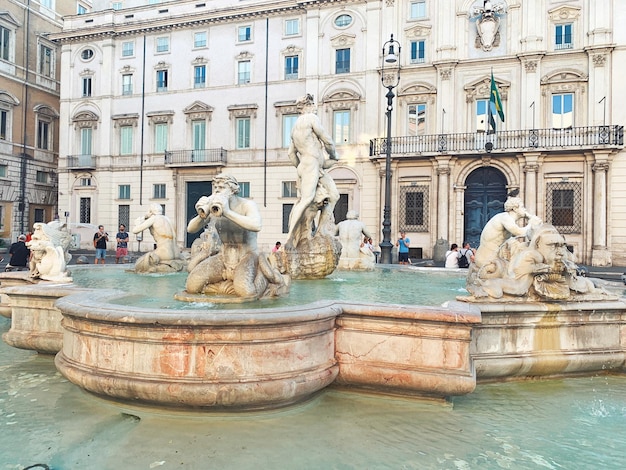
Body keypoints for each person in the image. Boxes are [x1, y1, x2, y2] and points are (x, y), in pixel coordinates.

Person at [186, 173, 288, 298]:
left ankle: (263, 275)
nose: (217, 191)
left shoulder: (246, 205)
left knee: (247, 292)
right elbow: (190, 229)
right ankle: (226, 285)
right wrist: (201, 214)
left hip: (247, 256)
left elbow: (257, 225)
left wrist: (227, 212)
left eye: (222, 187)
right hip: (223, 258)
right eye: (215, 188)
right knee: (192, 286)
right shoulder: (213, 208)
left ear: (233, 190)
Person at [286, 94, 340, 244]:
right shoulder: (311, 118)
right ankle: (290, 237)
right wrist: (334, 153)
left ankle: (321, 231)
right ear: (308, 106)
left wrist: (301, 168)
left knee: (334, 195)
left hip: (309, 165)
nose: (316, 108)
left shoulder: (294, 127)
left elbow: (290, 153)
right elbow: (327, 140)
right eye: (313, 105)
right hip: (311, 164)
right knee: (306, 200)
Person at [473, 196, 541, 269]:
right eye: (522, 207)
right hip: (487, 258)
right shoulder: (506, 218)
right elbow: (520, 233)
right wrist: (532, 223)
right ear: (515, 209)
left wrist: (531, 221)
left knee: (517, 246)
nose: (525, 209)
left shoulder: (506, 218)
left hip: (495, 255)